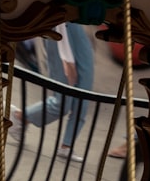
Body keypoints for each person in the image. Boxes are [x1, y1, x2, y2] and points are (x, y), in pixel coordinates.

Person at [11, 22, 95, 162]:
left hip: (76, 25)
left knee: (84, 94)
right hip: (58, 26)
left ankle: (66, 146)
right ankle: (20, 118)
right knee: (61, 102)